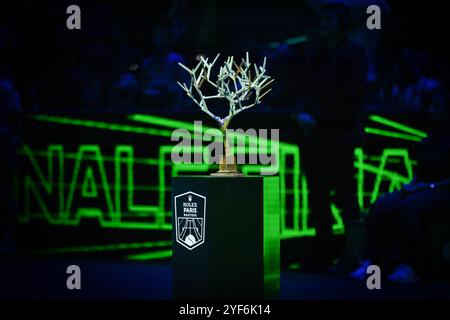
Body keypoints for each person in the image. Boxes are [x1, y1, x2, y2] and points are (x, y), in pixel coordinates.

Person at [351, 88, 450, 283]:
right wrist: (411, 186)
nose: (431, 110)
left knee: (409, 207)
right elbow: (420, 172)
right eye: (430, 106)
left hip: (443, 189)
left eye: (437, 106)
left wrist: (426, 188)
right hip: (423, 187)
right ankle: (374, 264)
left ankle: (413, 266)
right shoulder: (430, 139)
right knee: (382, 204)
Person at [298, 2, 367, 268]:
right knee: (318, 197)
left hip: (338, 136)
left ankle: (355, 256)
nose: (324, 24)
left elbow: (350, 96)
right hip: (315, 137)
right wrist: (303, 115)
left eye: (330, 20)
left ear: (342, 23)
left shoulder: (353, 54)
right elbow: (305, 90)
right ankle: (323, 255)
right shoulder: (316, 54)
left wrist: (317, 118)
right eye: (322, 19)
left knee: (346, 196)